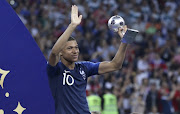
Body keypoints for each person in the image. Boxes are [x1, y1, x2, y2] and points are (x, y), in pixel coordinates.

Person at [47, 5, 130, 114]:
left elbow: (115, 65)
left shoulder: (84, 67)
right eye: (70, 48)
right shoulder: (55, 70)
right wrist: (72, 25)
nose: (75, 51)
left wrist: (125, 42)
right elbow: (54, 52)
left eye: (76, 47)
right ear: (61, 53)